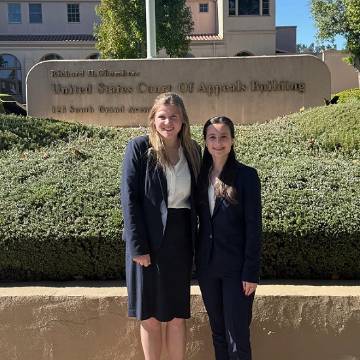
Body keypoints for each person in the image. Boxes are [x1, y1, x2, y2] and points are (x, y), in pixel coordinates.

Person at [121, 92, 201, 360]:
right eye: (162, 116)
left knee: (178, 316)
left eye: (174, 117)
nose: (168, 122)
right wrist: (137, 246)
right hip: (148, 242)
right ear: (153, 119)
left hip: (180, 242)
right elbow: (129, 198)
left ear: (183, 121)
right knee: (151, 316)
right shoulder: (139, 148)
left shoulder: (194, 150)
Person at [195, 116, 262, 360]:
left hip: (237, 270)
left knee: (238, 339)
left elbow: (254, 227)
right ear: (205, 142)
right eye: (212, 137)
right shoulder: (200, 177)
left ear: (232, 140)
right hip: (208, 268)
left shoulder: (247, 176)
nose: (218, 142)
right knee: (219, 334)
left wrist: (250, 272)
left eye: (223, 137)